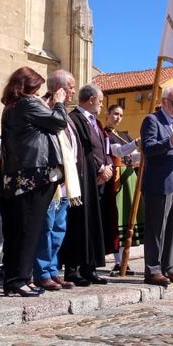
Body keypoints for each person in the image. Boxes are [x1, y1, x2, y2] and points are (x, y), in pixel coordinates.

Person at [0, 66, 67, 297]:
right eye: (37, 88)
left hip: (19, 175)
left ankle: (14, 280)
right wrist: (58, 102)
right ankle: (20, 280)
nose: (39, 93)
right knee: (29, 230)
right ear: (28, 88)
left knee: (18, 230)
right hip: (35, 174)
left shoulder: (12, 106)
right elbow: (58, 121)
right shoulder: (28, 103)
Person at [32, 75, 82, 291]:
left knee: (58, 228)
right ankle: (42, 272)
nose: (73, 92)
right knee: (46, 228)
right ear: (60, 89)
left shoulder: (66, 114)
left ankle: (53, 270)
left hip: (65, 182)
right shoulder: (46, 109)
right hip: (50, 179)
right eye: (70, 88)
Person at [140, 86, 173, 286]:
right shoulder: (152, 120)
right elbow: (148, 148)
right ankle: (153, 270)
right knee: (156, 227)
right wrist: (170, 141)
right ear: (164, 102)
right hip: (159, 180)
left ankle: (169, 268)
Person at [63, 84, 112, 285]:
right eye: (100, 101)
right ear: (91, 99)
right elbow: (82, 149)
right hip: (83, 179)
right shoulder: (75, 119)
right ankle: (73, 269)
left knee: (93, 224)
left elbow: (102, 147)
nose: (101, 105)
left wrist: (107, 166)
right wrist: (100, 168)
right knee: (78, 224)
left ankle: (89, 267)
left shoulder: (95, 122)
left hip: (97, 181)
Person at [104, 104, 141, 274]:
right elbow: (118, 152)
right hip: (116, 180)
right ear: (108, 114)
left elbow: (134, 157)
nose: (118, 118)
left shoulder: (124, 135)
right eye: (115, 114)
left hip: (129, 178)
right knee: (117, 219)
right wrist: (137, 143)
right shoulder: (105, 134)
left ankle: (124, 261)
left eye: (121, 115)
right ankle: (118, 261)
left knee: (127, 220)